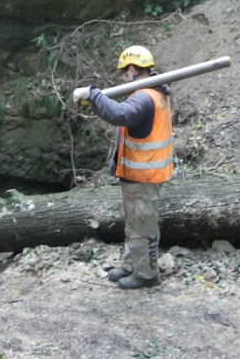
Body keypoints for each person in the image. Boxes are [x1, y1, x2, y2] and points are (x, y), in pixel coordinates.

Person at [73, 45, 173, 290]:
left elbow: (120, 114)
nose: (122, 77)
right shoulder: (154, 92)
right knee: (134, 224)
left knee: (143, 226)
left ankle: (147, 275)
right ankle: (131, 266)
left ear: (131, 70)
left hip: (144, 175)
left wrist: (93, 94)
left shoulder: (143, 96)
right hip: (140, 173)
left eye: (123, 72)